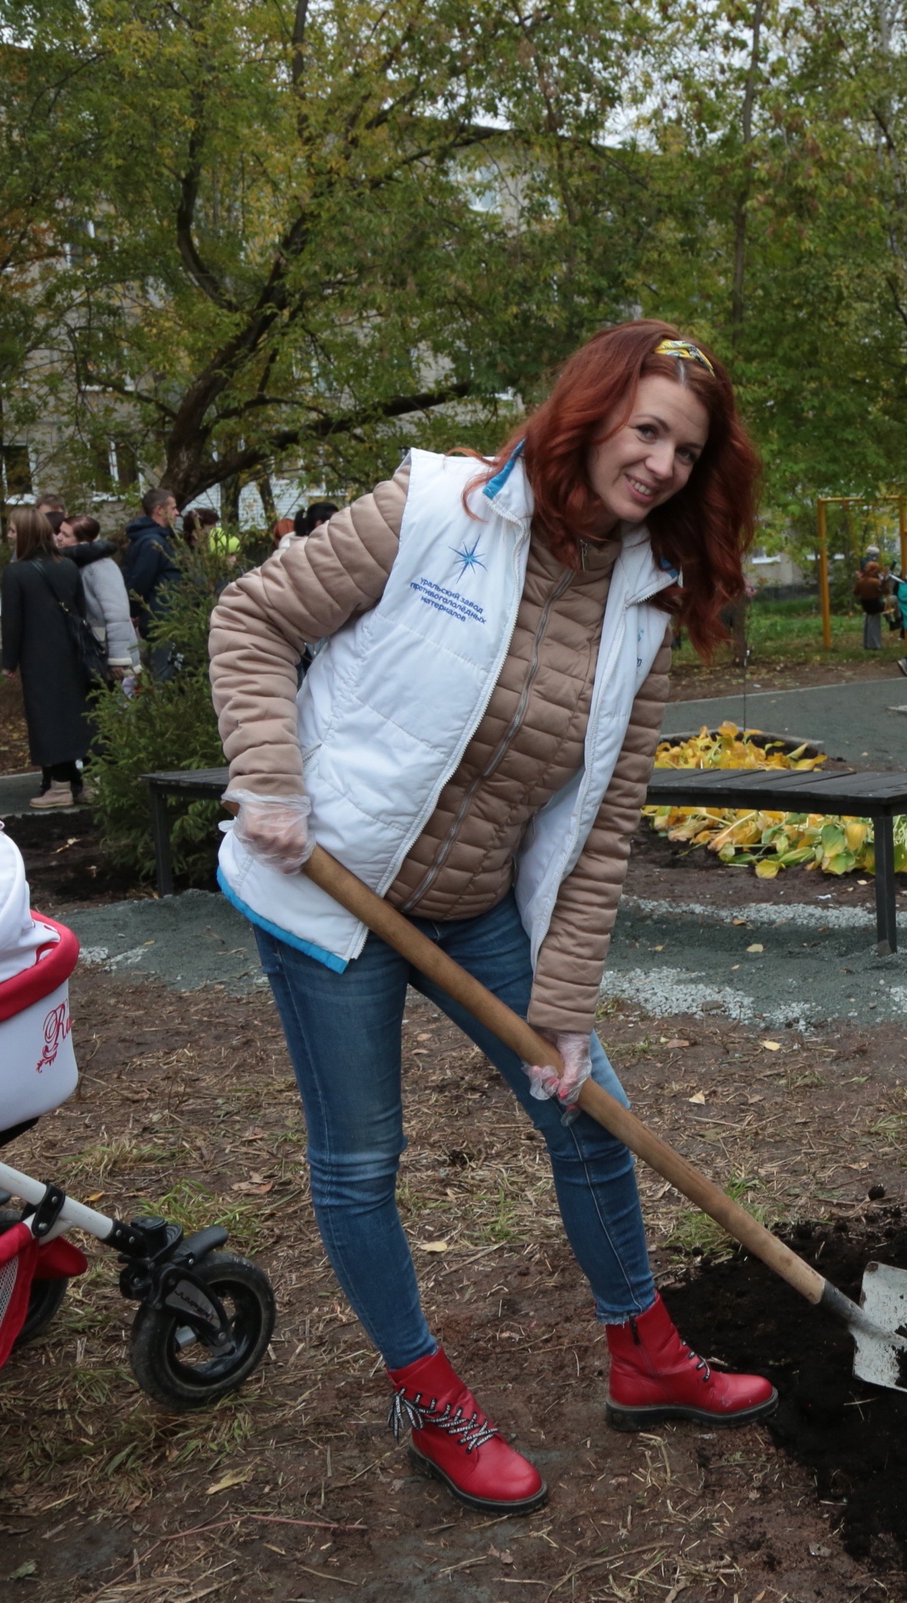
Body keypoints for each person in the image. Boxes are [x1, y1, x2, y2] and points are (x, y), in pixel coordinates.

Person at [208, 321, 777, 1516]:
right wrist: (268, 773)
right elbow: (253, 618)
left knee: (590, 1114)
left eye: (687, 450)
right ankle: (430, 1399)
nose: (663, 464)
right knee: (361, 1159)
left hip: (475, 908)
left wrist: (562, 1011)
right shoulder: (434, 510)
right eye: (648, 431)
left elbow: (601, 824)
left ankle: (646, 1353)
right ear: (591, 413)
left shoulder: (646, 601)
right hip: (330, 890)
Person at [0, 506, 101, 808]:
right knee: (80, 715)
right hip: (74, 653)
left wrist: (8, 662)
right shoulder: (67, 566)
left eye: (13, 531)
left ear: (25, 534)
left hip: (38, 657)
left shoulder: (15, 572)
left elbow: (12, 622)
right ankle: (91, 784)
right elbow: (80, 611)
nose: (9, 536)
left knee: (49, 719)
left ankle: (59, 787)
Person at [65, 515, 140, 673]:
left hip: (108, 654)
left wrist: (118, 659)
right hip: (97, 649)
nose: (58, 538)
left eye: (65, 535)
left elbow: (117, 614)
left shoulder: (102, 567)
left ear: (82, 542)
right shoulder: (79, 565)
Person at [122, 487, 183, 624]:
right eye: (173, 508)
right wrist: (134, 611)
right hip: (160, 616)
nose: (177, 513)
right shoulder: (152, 543)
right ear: (159, 510)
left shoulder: (161, 538)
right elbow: (140, 580)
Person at [854, 546, 890, 651]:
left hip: (865, 604)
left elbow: (855, 592)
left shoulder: (861, 581)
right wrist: (885, 580)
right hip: (875, 605)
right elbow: (885, 591)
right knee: (893, 600)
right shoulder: (875, 581)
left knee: (868, 622)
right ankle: (894, 621)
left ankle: (867, 643)